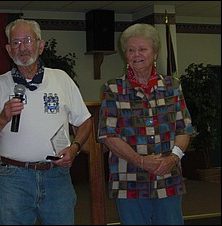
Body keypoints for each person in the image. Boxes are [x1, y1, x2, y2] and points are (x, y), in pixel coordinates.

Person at [0, 18, 92, 225]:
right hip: (13, 179)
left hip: (57, 177)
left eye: (28, 40)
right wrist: (2, 119)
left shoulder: (61, 79)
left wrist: (74, 148)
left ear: (40, 45)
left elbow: (85, 122)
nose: (22, 47)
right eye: (16, 43)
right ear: (9, 50)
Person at [97, 23, 195, 225]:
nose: (136, 54)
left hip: (167, 177)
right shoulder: (114, 88)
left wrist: (173, 159)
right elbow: (109, 135)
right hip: (129, 181)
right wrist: (140, 161)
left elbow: (184, 128)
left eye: (142, 49)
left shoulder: (172, 86)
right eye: (131, 50)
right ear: (125, 55)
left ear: (155, 52)